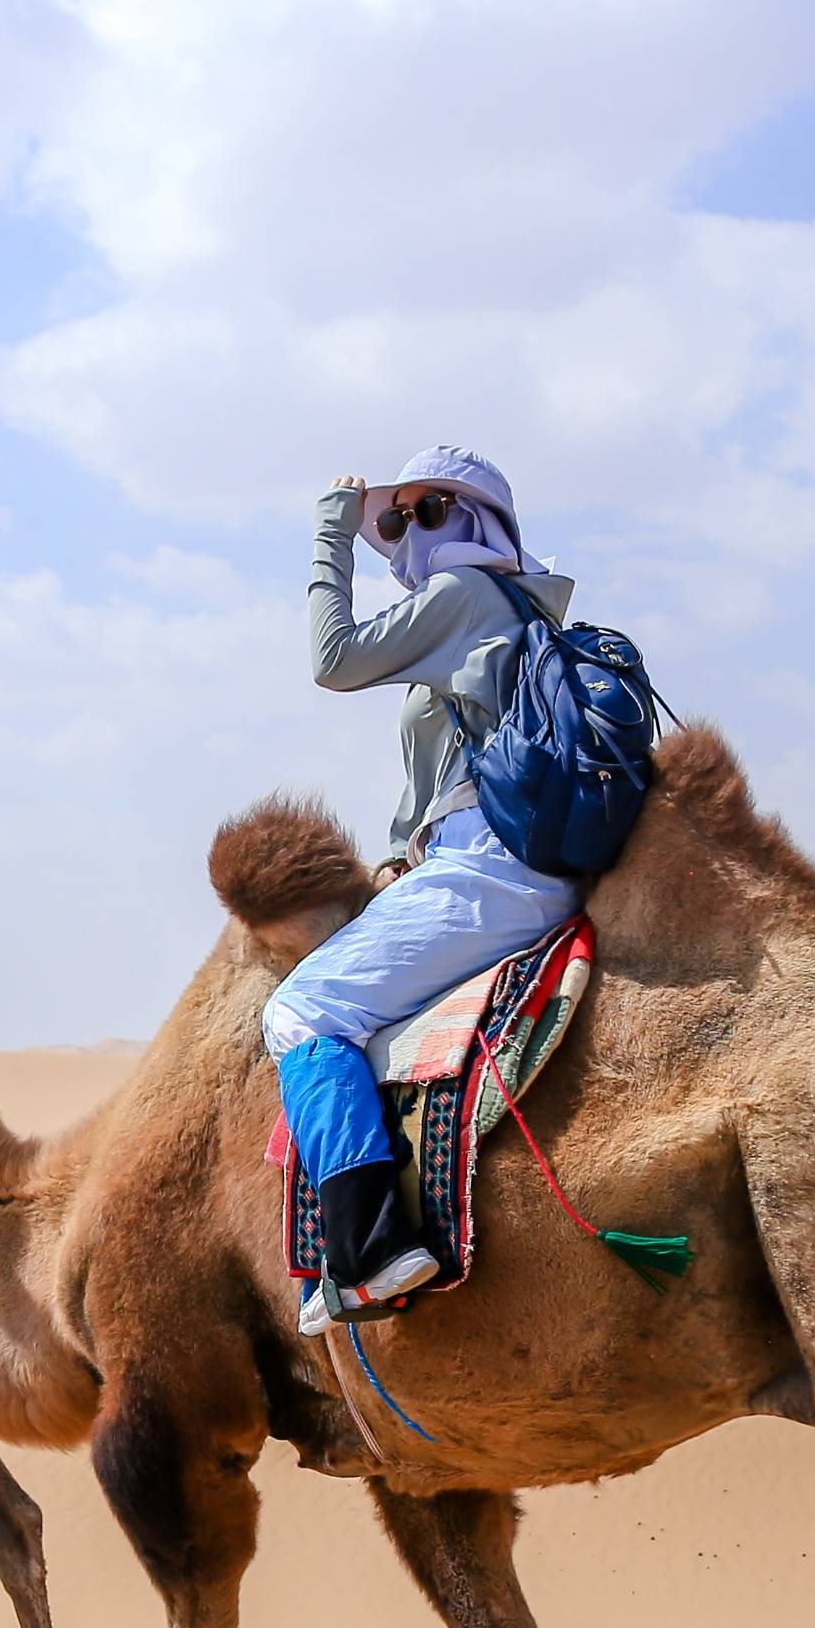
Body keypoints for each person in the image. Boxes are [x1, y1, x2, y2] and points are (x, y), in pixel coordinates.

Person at [272, 443, 587, 1334]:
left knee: (300, 1013)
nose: (411, 532)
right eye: (397, 518)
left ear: (480, 522)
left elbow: (332, 659)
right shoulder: (516, 613)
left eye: (432, 511)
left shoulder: (462, 598)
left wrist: (332, 533)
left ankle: (368, 1250)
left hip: (488, 871)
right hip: (501, 866)